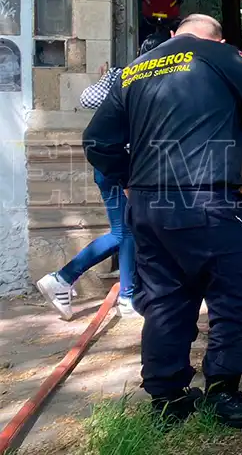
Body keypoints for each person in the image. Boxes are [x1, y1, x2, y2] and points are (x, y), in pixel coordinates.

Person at [83, 14, 242, 429]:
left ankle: (168, 397)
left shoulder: (136, 68)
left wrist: (129, 179)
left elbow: (97, 140)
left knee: (164, 300)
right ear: (220, 38)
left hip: (148, 206)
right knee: (239, 291)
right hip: (206, 199)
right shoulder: (220, 55)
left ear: (174, 35)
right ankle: (223, 393)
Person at [36, 32, 171, 320]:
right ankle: (71, 279)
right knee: (125, 231)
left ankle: (121, 293)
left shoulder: (119, 76)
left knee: (126, 230)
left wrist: (105, 82)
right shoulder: (151, 82)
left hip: (110, 164)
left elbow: (87, 98)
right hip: (121, 167)